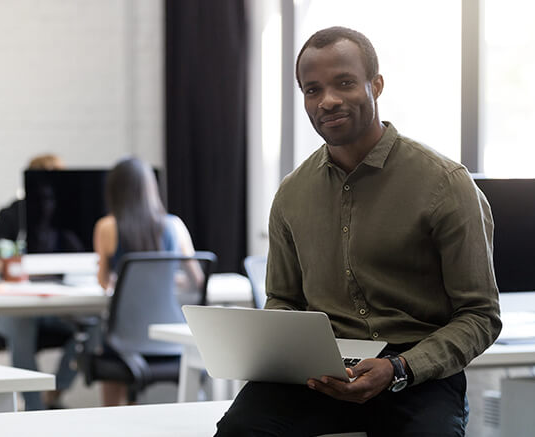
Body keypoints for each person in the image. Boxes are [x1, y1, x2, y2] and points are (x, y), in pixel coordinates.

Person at [215, 27, 502, 436]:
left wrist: (398, 368)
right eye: (312, 90)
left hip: (414, 376)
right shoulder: (291, 194)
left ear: (376, 85)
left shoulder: (447, 185)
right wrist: (286, 349)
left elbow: (480, 315)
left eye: (344, 83)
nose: (328, 100)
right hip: (318, 374)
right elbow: (283, 298)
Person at [93, 157, 200, 406]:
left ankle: (110, 421)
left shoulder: (107, 227)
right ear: (150, 188)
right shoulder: (175, 226)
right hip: (173, 340)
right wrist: (166, 279)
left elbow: (103, 282)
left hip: (125, 341)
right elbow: (197, 281)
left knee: (107, 346)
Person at [0, 154, 79, 411]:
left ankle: (55, 392)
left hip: (57, 308)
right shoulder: (12, 215)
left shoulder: (68, 226)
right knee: (20, 325)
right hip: (18, 306)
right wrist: (5, 261)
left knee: (95, 328)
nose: (47, 200)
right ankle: (36, 413)